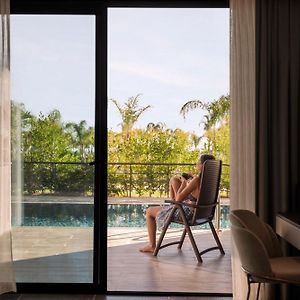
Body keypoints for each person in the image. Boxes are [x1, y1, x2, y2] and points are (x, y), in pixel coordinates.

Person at [139, 154, 215, 253]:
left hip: (188, 214)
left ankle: (152, 245)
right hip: (203, 214)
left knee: (149, 211)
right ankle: (172, 206)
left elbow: (178, 198)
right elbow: (198, 196)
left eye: (198, 161)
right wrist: (189, 184)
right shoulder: (210, 182)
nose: (196, 163)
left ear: (202, 166)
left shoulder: (197, 180)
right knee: (174, 180)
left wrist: (184, 183)